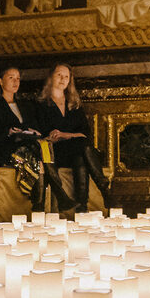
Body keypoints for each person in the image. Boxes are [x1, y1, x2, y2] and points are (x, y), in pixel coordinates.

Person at [31, 62, 112, 214]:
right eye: (59, 75)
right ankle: (104, 190)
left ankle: (82, 208)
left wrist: (64, 134)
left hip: (75, 151)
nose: (63, 79)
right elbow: (38, 132)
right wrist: (55, 136)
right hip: (54, 153)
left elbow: (86, 133)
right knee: (82, 146)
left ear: (70, 80)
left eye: (66, 77)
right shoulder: (40, 104)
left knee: (80, 154)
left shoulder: (74, 103)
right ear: (51, 77)